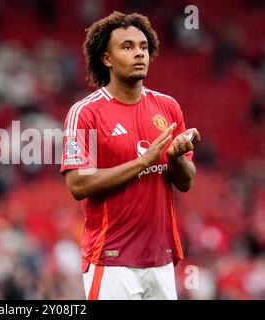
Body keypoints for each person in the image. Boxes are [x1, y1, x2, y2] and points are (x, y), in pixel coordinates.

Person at [60, 11, 201, 300]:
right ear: (106, 58)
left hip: (160, 258)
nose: (139, 53)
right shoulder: (85, 113)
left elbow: (186, 182)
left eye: (143, 47)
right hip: (112, 259)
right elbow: (78, 185)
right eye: (127, 47)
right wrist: (143, 162)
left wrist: (175, 158)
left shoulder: (168, 107)